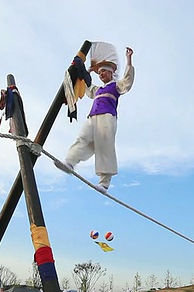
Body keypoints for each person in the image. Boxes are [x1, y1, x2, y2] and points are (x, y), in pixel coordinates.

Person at [56, 46, 135, 194]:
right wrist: (89, 71)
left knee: (105, 146)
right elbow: (87, 85)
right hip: (92, 117)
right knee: (83, 138)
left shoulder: (116, 86)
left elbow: (127, 81)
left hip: (107, 118)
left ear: (111, 72)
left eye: (103, 71)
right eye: (99, 73)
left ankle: (104, 183)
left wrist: (129, 59)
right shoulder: (97, 90)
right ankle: (70, 162)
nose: (101, 74)